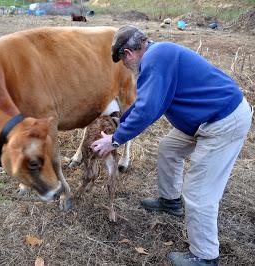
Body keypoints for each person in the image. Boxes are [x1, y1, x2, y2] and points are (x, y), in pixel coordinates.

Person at [91, 25, 253, 266]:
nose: (125, 66)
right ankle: (170, 202)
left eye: (122, 61)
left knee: (199, 192)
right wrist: (121, 122)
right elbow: (145, 101)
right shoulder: (159, 55)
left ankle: (205, 256)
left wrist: (115, 139)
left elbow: (148, 109)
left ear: (128, 53)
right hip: (203, 119)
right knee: (169, 148)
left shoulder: (156, 59)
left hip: (222, 122)